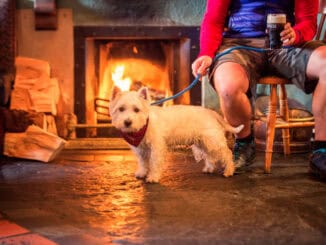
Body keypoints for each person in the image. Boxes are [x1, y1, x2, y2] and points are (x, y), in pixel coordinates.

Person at [191, 0, 326, 180]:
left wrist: (297, 34)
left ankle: (321, 151)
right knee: (228, 86)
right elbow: (214, 20)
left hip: (287, 44)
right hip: (239, 43)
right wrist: (206, 53)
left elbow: (308, 22)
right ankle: (244, 142)